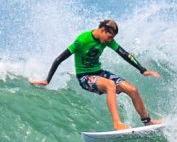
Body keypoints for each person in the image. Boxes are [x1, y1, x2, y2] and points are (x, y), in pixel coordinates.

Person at [31, 20, 162, 130]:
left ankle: (147, 121)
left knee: (132, 90)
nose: (109, 41)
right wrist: (47, 80)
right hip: (84, 77)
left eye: (112, 39)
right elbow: (59, 59)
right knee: (110, 85)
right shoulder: (82, 40)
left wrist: (142, 70)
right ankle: (117, 124)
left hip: (99, 73)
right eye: (109, 37)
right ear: (102, 30)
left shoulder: (107, 40)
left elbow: (124, 53)